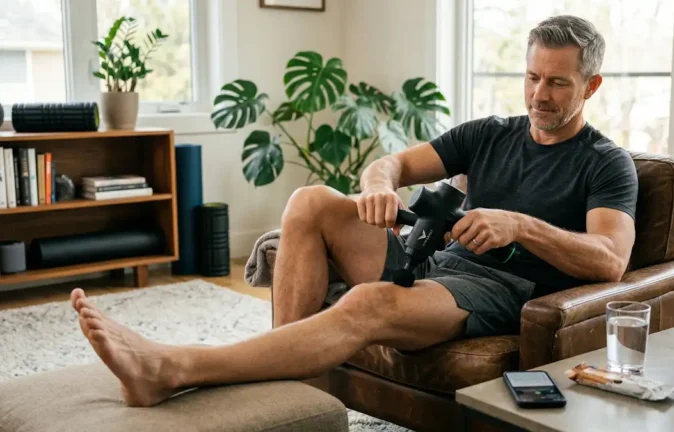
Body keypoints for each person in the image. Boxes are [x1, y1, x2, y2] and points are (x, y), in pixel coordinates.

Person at [70, 14, 638, 407]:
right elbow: (392, 163)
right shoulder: (490, 134)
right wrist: (376, 184)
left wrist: (519, 225)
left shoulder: (606, 164)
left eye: (558, 83)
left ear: (591, 86)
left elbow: (610, 260)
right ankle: (286, 394)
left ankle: (171, 369)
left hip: (501, 287)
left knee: (366, 301)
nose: (540, 94)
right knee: (310, 200)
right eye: (532, 77)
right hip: (440, 263)